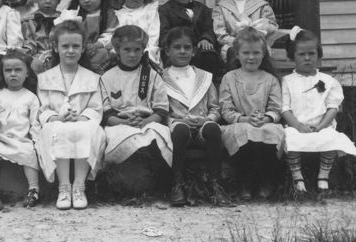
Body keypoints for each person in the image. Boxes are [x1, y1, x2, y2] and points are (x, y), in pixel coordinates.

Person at [280, 28, 356, 198]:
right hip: (297, 125)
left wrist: (322, 126)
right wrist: (298, 126)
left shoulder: (328, 81)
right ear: (293, 55)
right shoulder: (287, 81)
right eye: (301, 54)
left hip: (321, 126)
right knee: (290, 137)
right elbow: (284, 108)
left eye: (311, 53)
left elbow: (333, 108)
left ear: (318, 54)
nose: (307, 58)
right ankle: (297, 178)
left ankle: (323, 177)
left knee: (330, 137)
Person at [36, 19, 106, 210]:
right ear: (56, 48)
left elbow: (95, 107)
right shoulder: (45, 78)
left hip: (81, 121)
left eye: (76, 46)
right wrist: (56, 117)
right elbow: (43, 107)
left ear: (83, 48)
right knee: (55, 130)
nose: (70, 50)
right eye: (65, 46)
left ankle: (79, 186)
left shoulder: (92, 78)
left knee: (89, 129)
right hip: (57, 121)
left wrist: (81, 117)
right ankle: (64, 187)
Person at [160, 27, 229, 207]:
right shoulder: (161, 78)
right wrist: (177, 121)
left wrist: (207, 119)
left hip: (202, 127)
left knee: (213, 129)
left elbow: (215, 107)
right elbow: (160, 109)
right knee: (181, 130)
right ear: (167, 50)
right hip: (177, 126)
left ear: (194, 51)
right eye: (177, 47)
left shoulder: (204, 77)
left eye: (187, 47)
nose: (182, 51)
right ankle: (177, 183)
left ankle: (215, 183)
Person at [99, 25, 173, 182]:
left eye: (137, 50)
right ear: (117, 50)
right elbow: (106, 112)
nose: (132, 55)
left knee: (155, 134)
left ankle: (155, 181)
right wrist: (125, 122)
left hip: (148, 120)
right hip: (118, 123)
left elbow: (161, 109)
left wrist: (145, 121)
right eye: (127, 49)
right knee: (123, 137)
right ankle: (126, 182)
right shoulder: (107, 77)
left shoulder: (151, 75)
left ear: (143, 49)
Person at [219, 27, 284, 200]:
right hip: (239, 123)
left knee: (272, 131)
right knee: (243, 132)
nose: (251, 57)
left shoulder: (270, 79)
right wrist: (244, 118)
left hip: (265, 122)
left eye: (256, 52)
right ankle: (245, 182)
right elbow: (225, 108)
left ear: (263, 54)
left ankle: (265, 180)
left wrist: (267, 117)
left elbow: (276, 107)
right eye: (246, 52)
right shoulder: (229, 78)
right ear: (237, 54)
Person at [0, 50, 42, 210]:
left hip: (22, 139)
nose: (13, 74)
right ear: (2, 73)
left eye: (18, 70)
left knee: (29, 152)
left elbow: (35, 122)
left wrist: (36, 141)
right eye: (8, 70)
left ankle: (34, 189)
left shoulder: (31, 98)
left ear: (27, 73)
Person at [158, 0, 221, 78]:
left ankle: (209, 85)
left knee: (209, 55)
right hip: (177, 49)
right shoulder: (165, 10)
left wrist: (205, 39)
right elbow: (164, 34)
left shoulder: (203, 9)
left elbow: (208, 29)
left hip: (198, 49)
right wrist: (176, 43)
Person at [213, 0, 278, 68]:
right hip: (233, 46)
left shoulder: (261, 6)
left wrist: (263, 28)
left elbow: (272, 27)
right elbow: (220, 34)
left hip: (257, 45)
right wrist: (239, 42)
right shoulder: (221, 8)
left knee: (262, 53)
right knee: (232, 53)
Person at [67, 0, 117, 73]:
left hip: (99, 50)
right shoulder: (73, 14)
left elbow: (111, 35)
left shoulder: (109, 14)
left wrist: (96, 46)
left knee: (102, 55)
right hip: (77, 50)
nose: (86, 0)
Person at [114, 0, 161, 64]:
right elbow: (114, 39)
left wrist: (145, 57)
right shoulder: (117, 14)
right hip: (122, 58)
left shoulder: (150, 11)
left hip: (146, 57)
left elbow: (153, 37)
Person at [22, 0, 63, 74]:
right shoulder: (29, 21)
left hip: (60, 56)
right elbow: (29, 43)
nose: (48, 1)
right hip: (37, 59)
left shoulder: (64, 19)